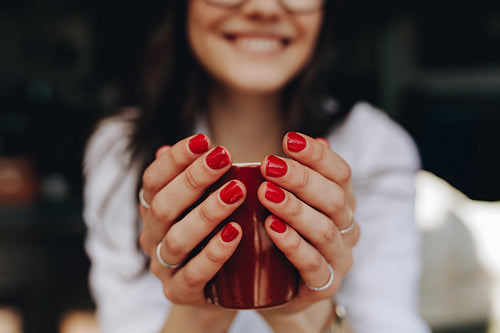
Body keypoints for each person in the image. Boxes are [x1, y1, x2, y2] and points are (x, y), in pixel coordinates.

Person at [83, 0, 430, 332]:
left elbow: (390, 321)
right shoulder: (123, 148)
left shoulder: (374, 147)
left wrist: (306, 310)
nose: (263, 7)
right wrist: (200, 308)